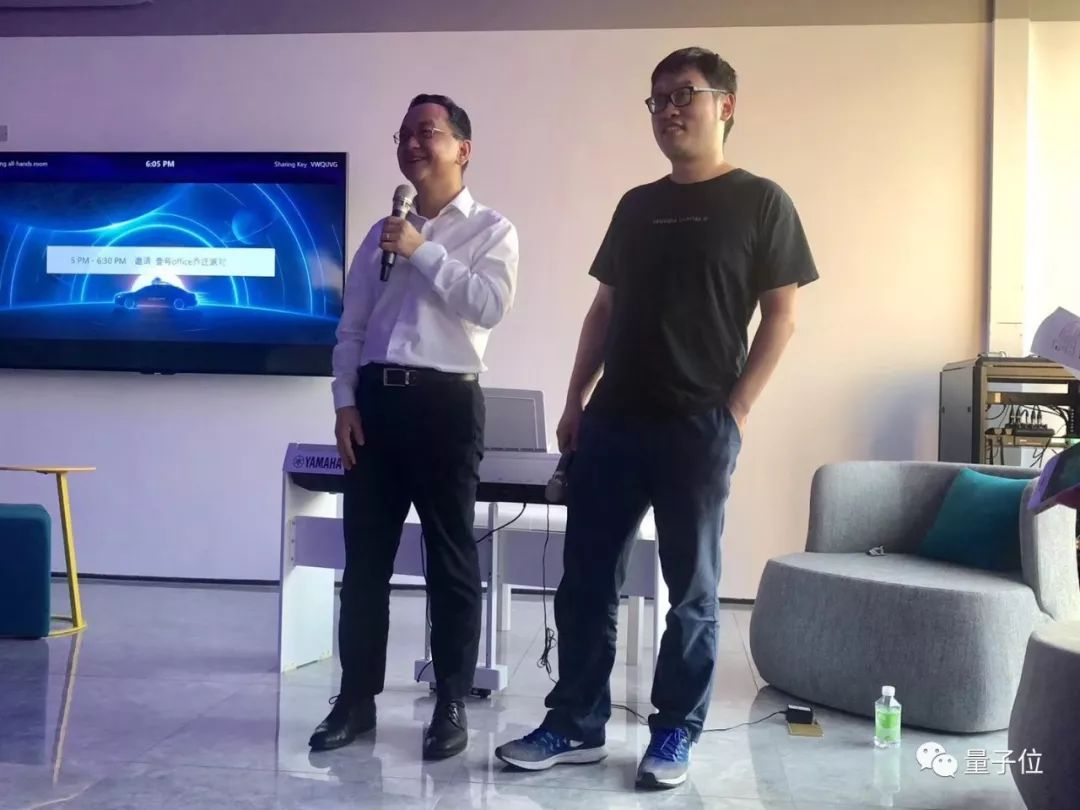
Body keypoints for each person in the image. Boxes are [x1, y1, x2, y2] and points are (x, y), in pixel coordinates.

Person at [495, 47, 818, 788]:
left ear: (725, 106)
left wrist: (735, 412)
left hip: (698, 426)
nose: (669, 110)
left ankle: (674, 730)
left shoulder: (762, 201)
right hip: (612, 423)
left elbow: (782, 316)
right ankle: (575, 723)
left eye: (684, 95)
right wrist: (574, 400)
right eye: (658, 99)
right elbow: (603, 310)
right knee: (584, 583)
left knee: (692, 592)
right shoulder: (636, 206)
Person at [311, 93, 518, 761]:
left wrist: (423, 251)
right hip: (375, 406)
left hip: (446, 407)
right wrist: (345, 402)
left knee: (451, 560)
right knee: (365, 561)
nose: (411, 144)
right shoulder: (381, 232)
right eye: (403, 134)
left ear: (463, 148)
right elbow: (352, 327)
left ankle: (451, 700)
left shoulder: (492, 230)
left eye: (427, 132)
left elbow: (488, 306)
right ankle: (355, 700)